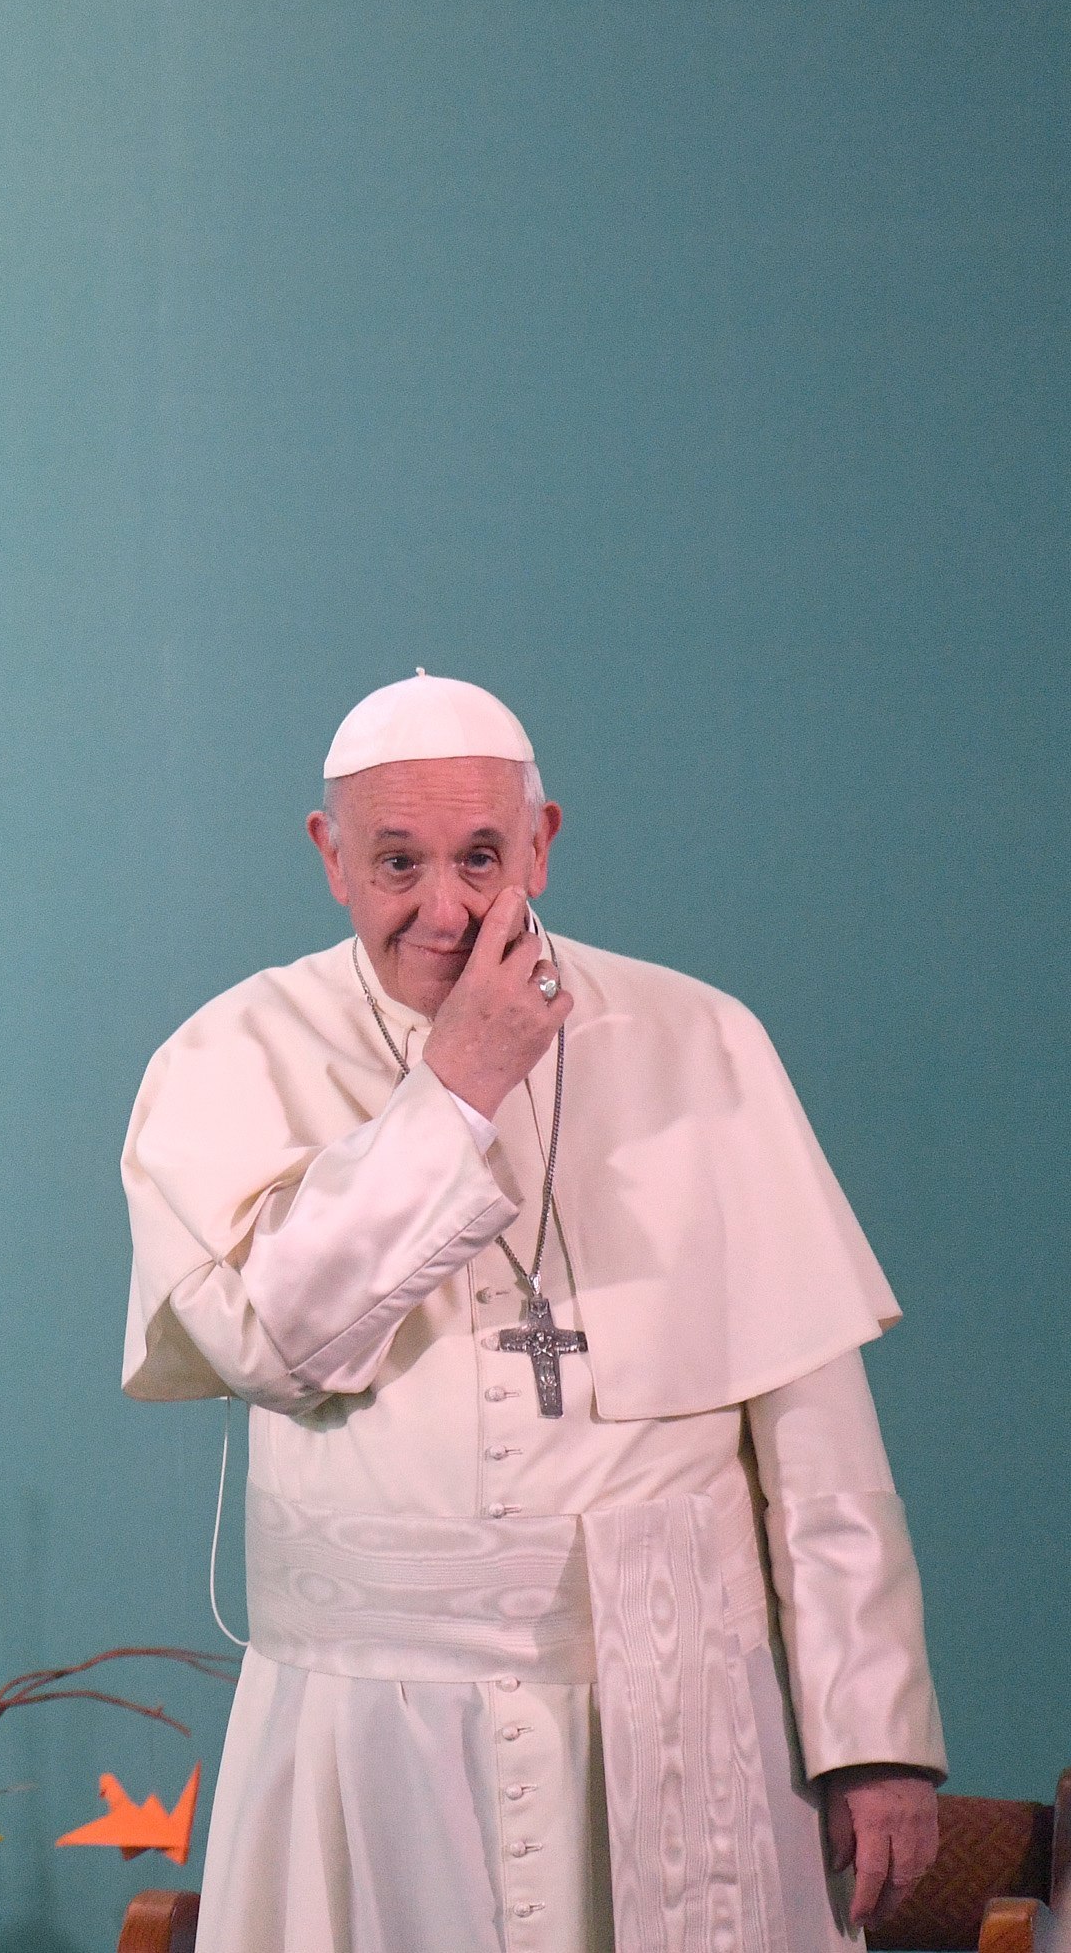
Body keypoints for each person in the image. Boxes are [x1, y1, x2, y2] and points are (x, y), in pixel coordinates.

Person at [119, 673, 947, 1952]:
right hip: (367, 1738)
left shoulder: (705, 1040)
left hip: (677, 1714)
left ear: (544, 845)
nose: (444, 907)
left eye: (481, 858)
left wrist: (873, 1737)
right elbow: (271, 1346)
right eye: (397, 861)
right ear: (329, 856)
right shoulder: (227, 1059)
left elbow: (816, 1433)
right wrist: (457, 1086)